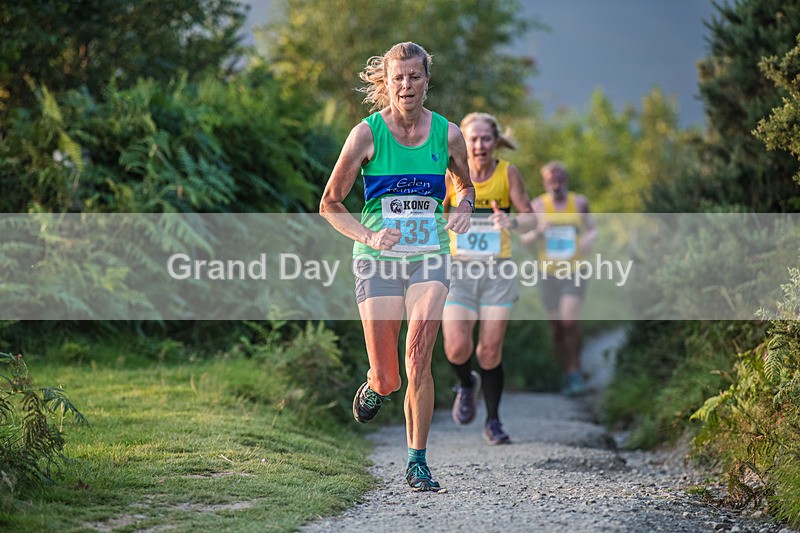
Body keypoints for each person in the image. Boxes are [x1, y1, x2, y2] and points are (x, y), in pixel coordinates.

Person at [319, 42, 475, 492]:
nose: (406, 85)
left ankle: (417, 461)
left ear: (427, 80)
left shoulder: (448, 135)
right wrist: (368, 235)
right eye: (398, 78)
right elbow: (329, 204)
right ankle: (374, 384)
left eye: (414, 76)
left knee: (419, 353)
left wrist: (464, 204)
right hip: (377, 259)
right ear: (385, 83)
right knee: (390, 376)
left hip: (430, 254)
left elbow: (465, 185)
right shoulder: (366, 135)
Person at [442, 112, 534, 445]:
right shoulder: (452, 175)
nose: (479, 145)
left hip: (498, 271)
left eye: (485, 139)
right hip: (459, 271)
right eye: (472, 139)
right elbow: (435, 218)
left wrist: (511, 224)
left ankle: (493, 421)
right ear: (462, 142)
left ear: (495, 142)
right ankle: (467, 384)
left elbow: (530, 220)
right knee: (456, 348)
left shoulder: (508, 174)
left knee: (490, 351)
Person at [520, 161, 597, 396]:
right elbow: (525, 240)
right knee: (556, 329)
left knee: (569, 321)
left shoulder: (579, 202)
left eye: (560, 179)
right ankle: (567, 372)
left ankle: (575, 371)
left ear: (566, 180)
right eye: (552, 180)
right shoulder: (538, 206)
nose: (557, 184)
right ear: (545, 183)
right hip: (548, 273)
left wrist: (587, 240)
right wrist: (539, 232)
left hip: (574, 270)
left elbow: (593, 228)